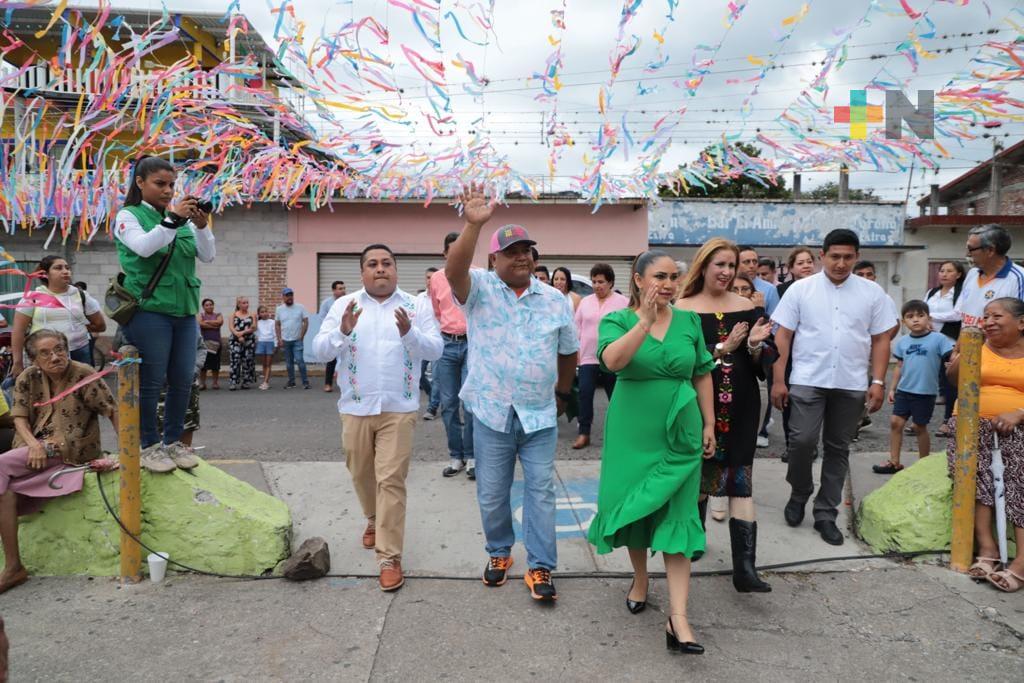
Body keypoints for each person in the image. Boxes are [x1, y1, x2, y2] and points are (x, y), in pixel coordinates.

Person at [445, 186, 578, 602]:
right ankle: (500, 552)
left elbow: (568, 351)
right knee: (491, 490)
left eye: (528, 251)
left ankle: (540, 566)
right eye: (513, 251)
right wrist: (473, 223)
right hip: (491, 413)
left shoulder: (555, 300)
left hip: (539, 416)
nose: (523, 257)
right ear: (494, 259)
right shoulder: (480, 289)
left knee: (540, 490)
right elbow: (453, 272)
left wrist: (563, 392)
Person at [589, 250, 715, 653]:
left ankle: (678, 618)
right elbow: (612, 361)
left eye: (674, 277)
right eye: (660, 275)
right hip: (632, 431)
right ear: (639, 280)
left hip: (680, 430)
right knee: (635, 508)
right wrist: (644, 320)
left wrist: (710, 423)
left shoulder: (690, 321)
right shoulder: (617, 319)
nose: (668, 283)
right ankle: (641, 578)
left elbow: (701, 372)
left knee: (680, 517)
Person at [312, 244, 442, 592]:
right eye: (373, 264)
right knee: (360, 472)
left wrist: (409, 334)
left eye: (387, 263)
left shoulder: (416, 307)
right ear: (362, 272)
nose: (380, 268)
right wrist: (341, 331)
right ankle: (372, 518)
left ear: (396, 270)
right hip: (355, 406)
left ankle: (389, 557)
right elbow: (318, 350)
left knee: (391, 480)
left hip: (399, 409)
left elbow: (436, 348)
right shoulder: (344, 305)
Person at [771, 229, 898, 546]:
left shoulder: (872, 293)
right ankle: (800, 492)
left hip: (851, 383)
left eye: (848, 257)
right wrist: (777, 379)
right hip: (807, 379)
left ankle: (826, 513)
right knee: (801, 441)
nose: (841, 263)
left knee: (838, 449)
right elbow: (782, 336)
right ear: (822, 256)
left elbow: (882, 338)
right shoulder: (801, 290)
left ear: (856, 257)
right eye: (835, 256)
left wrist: (879, 381)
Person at [676, 239, 773, 593]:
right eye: (720, 264)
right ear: (703, 266)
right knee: (700, 477)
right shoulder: (682, 308)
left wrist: (754, 345)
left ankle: (745, 569)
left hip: (744, 405)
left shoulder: (747, 306)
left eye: (732, 266)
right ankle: (693, 541)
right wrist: (723, 347)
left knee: (740, 480)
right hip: (698, 406)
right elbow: (680, 361)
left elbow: (763, 359)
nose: (727, 272)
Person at [114, 156, 214, 473]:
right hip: (150, 311)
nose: (168, 191)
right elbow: (143, 247)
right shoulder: (128, 216)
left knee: (184, 379)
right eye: (160, 184)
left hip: (184, 310)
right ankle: (149, 446)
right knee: (152, 382)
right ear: (140, 182)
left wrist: (201, 227)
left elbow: (208, 255)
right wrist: (172, 219)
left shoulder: (180, 220)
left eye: (171, 184)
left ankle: (173, 443)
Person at [0, 330, 117, 593]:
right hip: (34, 452)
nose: (55, 357)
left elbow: (113, 411)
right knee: (5, 494)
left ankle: (12, 569)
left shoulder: (82, 373)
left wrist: (128, 456)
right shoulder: (28, 378)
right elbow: (18, 416)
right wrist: (33, 445)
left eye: (59, 350)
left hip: (69, 452)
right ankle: (14, 567)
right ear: (34, 359)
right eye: (45, 353)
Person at [945, 297, 1024, 592]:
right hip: (970, 423)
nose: (988, 322)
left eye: (996, 316)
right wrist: (963, 353)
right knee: (976, 478)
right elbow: (954, 380)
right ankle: (988, 549)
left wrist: (1019, 413)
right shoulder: (976, 344)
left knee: (1018, 478)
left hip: (1018, 425)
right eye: (985, 317)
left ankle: (1022, 562)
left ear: (1021, 322)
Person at [873, 300, 954, 474]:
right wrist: (893, 389)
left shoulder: (939, 339)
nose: (915, 320)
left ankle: (923, 464)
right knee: (895, 423)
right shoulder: (902, 342)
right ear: (904, 322)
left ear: (928, 318)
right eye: (910, 317)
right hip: (904, 390)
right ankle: (894, 462)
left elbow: (952, 358)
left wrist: (953, 365)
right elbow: (899, 366)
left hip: (925, 392)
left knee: (919, 427)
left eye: (920, 315)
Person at [428, 233, 475, 478]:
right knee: (448, 404)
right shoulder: (436, 278)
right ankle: (455, 457)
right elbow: (437, 311)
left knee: (470, 404)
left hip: (472, 345)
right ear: (445, 253)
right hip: (446, 344)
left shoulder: (477, 275)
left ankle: (472, 457)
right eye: (452, 249)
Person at [11, 256, 105, 376]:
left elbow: (100, 326)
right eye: (58, 268)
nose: (65, 271)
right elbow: (18, 331)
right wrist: (17, 363)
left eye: (67, 268)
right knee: (46, 391)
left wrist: (77, 328)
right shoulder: (33, 297)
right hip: (43, 355)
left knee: (81, 391)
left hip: (79, 352)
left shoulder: (81, 296)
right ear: (45, 274)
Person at [572, 263, 629, 450]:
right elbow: (577, 328)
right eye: (594, 282)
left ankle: (619, 434)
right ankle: (584, 433)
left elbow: (629, 329)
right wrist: (577, 354)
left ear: (610, 282)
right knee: (585, 394)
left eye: (601, 282)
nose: (597, 286)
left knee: (616, 398)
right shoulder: (585, 302)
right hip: (588, 357)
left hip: (612, 358)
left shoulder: (623, 303)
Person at [775, 246, 817, 459]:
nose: (806, 266)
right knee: (789, 399)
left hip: (814, 352)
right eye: (800, 263)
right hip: (789, 352)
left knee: (814, 400)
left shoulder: (821, 288)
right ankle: (791, 445)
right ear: (791, 268)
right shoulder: (782, 290)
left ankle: (811, 445)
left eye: (809, 261)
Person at [956, 224, 1024, 329]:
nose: (967, 254)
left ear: (990, 250)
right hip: (968, 343)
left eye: (971, 249)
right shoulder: (972, 274)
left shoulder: (1019, 278)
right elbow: (963, 316)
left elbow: (1020, 324)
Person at [926, 261, 966, 436]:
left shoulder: (961, 293)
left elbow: (957, 315)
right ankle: (919, 421)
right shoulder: (932, 292)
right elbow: (921, 310)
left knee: (951, 382)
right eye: (942, 270)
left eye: (949, 271)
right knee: (927, 378)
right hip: (930, 340)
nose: (944, 274)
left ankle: (948, 420)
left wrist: (930, 316)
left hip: (950, 342)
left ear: (958, 274)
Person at [417, 269, 441, 418]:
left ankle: (432, 408)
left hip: (439, 342)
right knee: (419, 374)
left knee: (437, 377)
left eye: (432, 278)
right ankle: (433, 394)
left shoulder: (444, 296)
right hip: (423, 341)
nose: (429, 281)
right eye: (427, 278)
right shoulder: (419, 298)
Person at [276, 288, 310, 389]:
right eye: (287, 295)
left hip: (297, 340)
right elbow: (277, 324)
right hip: (285, 340)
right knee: (289, 363)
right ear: (283, 297)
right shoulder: (279, 309)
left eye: (291, 295)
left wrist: (302, 336)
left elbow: (306, 321)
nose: (289, 297)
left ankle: (305, 382)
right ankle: (291, 382)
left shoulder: (300, 307)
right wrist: (279, 338)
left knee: (300, 361)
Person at [319, 281, 347, 393]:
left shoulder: (348, 301)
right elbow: (322, 318)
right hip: (333, 334)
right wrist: (329, 332)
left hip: (347, 333)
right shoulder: (327, 303)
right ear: (334, 290)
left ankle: (348, 384)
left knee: (349, 358)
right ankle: (328, 384)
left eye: (344, 288)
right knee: (332, 360)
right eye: (340, 288)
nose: (343, 290)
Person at [227, 297, 256, 391]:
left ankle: (246, 382)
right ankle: (233, 382)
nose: (246, 304)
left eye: (247, 302)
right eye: (244, 303)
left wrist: (242, 333)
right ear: (239, 304)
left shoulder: (252, 314)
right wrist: (238, 336)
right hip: (235, 341)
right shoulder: (233, 315)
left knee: (247, 361)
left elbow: (254, 328)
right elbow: (231, 327)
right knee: (235, 361)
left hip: (249, 340)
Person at [198, 298, 223, 390]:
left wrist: (207, 322)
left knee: (215, 365)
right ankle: (202, 383)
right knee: (203, 365)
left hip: (216, 344)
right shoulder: (200, 315)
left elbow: (220, 322)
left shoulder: (218, 315)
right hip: (204, 344)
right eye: (207, 305)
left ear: (213, 305)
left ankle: (215, 383)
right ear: (203, 307)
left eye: (211, 304)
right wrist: (214, 326)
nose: (209, 306)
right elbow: (200, 324)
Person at [255, 306, 276, 390]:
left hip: (270, 343)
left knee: (268, 364)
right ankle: (265, 381)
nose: (264, 313)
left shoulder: (272, 322)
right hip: (261, 343)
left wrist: (276, 344)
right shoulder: (258, 323)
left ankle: (266, 382)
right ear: (259, 314)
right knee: (264, 364)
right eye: (262, 312)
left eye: (266, 311)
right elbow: (256, 333)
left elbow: (275, 333)